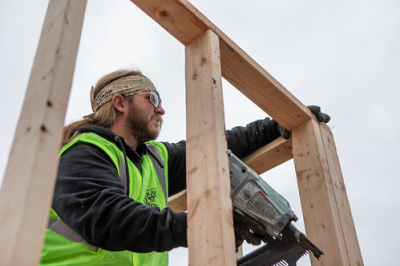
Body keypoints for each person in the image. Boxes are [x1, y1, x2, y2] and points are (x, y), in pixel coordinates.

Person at [40, 69, 330, 266]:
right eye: (152, 99)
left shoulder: (154, 158)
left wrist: (275, 126)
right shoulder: (84, 152)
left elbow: (218, 146)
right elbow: (105, 216)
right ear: (120, 102)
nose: (161, 109)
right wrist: (199, 225)